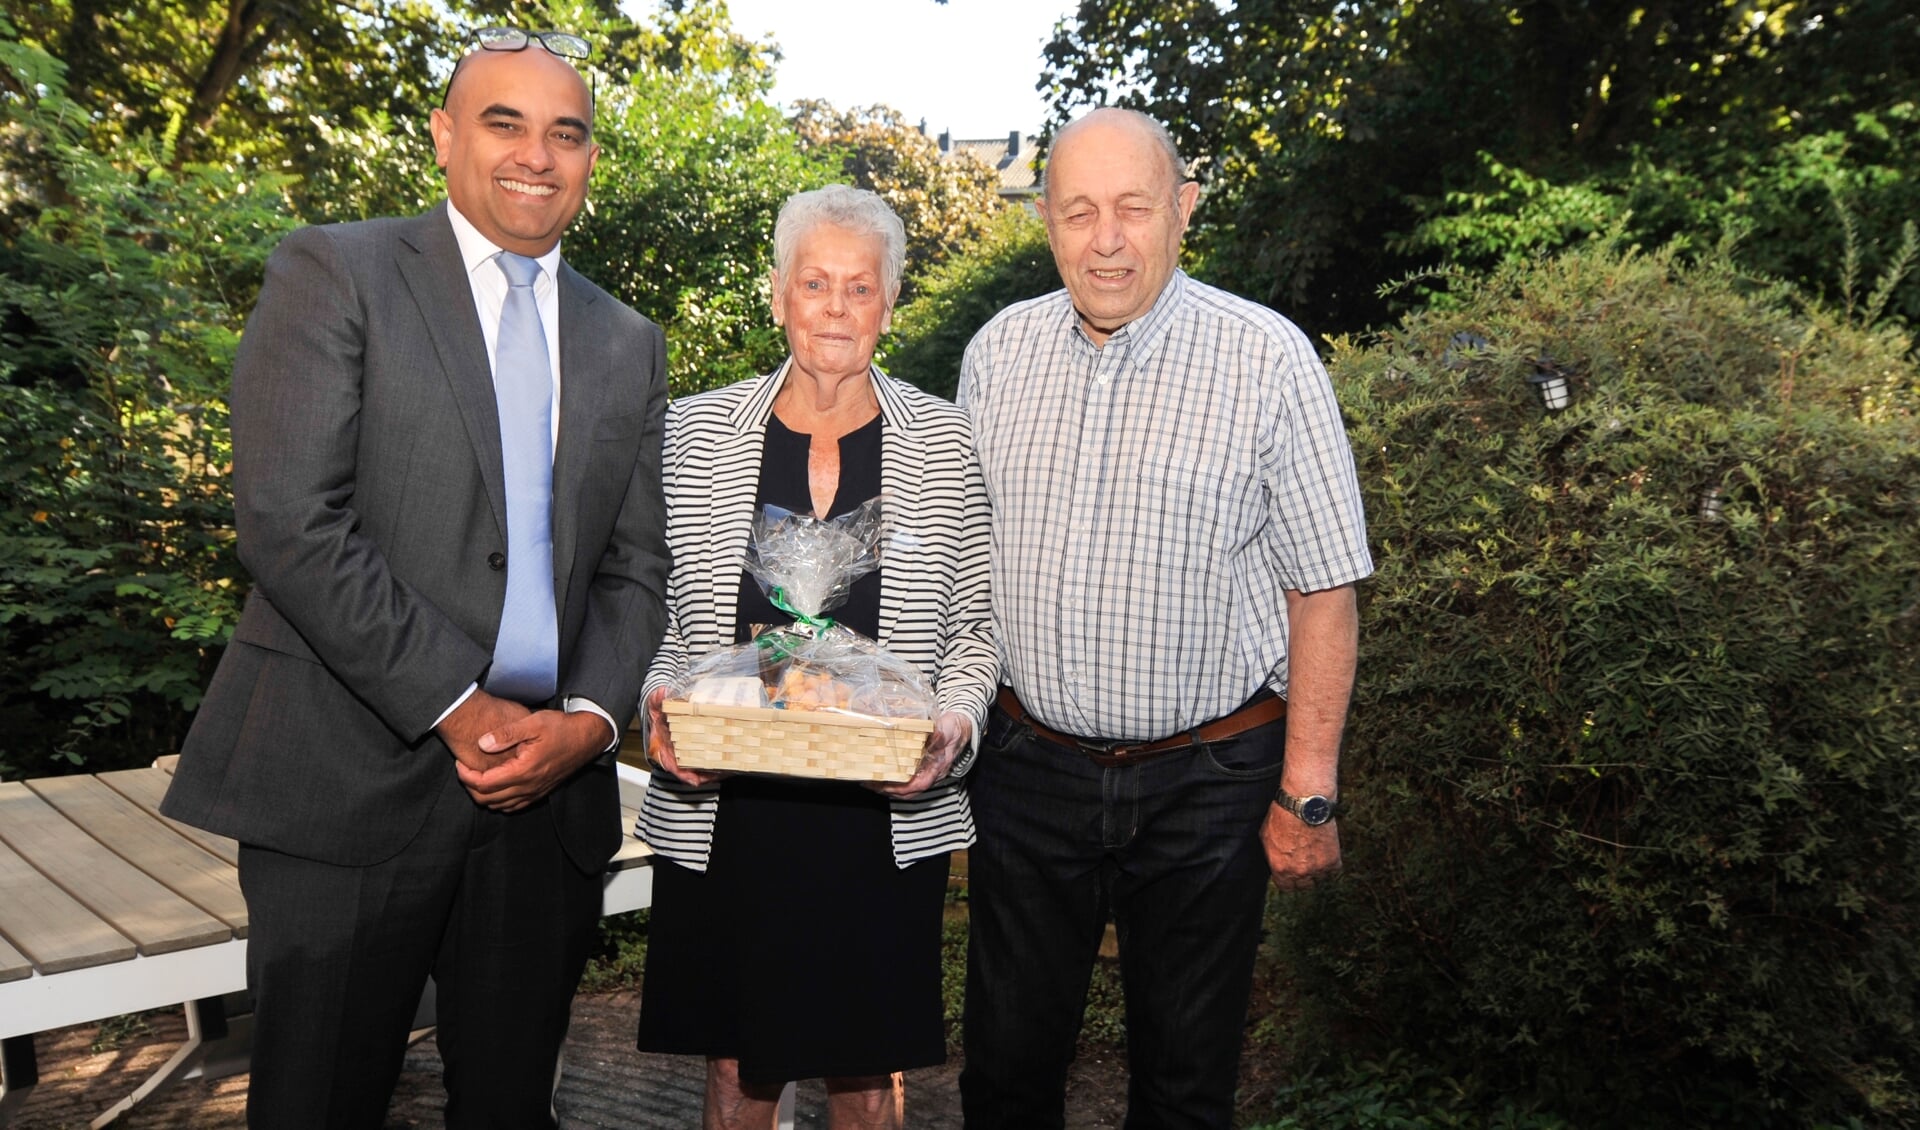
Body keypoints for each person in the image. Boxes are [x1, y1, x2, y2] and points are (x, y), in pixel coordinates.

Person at [160, 28, 669, 1129]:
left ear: (588, 160)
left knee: (507, 1106)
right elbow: (289, 519)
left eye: (566, 132)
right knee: (318, 1102)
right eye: (505, 121)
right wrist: (456, 700)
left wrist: (588, 718)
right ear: (444, 137)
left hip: (545, 802)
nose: (538, 153)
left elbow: (636, 565)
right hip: (350, 777)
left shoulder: (627, 340)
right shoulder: (336, 269)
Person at [955, 107, 1375, 1128]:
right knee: (1005, 1075)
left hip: (1209, 785)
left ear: (1183, 210)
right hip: (1029, 771)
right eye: (1079, 211)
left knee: (1186, 1088)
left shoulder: (1268, 360)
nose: (1106, 240)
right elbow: (958, 563)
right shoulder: (997, 356)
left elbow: (1326, 586)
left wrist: (1308, 791)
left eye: (1133, 208)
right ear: (1045, 219)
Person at [635, 184, 996, 1130]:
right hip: (730, 799)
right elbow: (660, 615)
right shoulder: (697, 432)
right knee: (733, 1069)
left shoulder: (946, 441)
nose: (836, 308)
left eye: (861, 288)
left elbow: (973, 628)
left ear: (891, 300)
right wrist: (660, 702)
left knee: (867, 1074)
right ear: (777, 294)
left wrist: (953, 724)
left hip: (878, 811)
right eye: (815, 283)